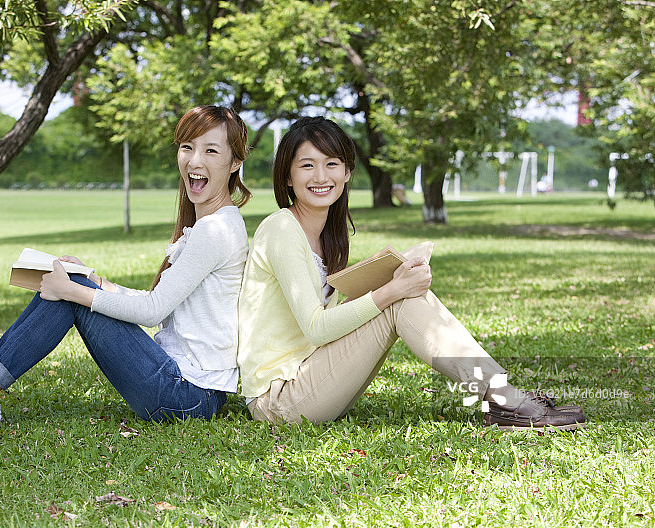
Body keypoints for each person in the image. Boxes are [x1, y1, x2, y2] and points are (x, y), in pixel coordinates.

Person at [0, 105, 252, 433]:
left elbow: (152, 311)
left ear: (235, 162)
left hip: (187, 397)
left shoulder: (215, 230)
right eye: (187, 147)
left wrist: (73, 291)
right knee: (71, 284)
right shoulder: (214, 224)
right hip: (188, 391)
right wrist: (93, 280)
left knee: (69, 292)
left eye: (211, 151)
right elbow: (161, 301)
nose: (194, 159)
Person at [237, 116, 585, 431]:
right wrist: (390, 291)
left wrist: (377, 275)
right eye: (307, 166)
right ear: (287, 175)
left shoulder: (327, 233)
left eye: (332, 164)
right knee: (399, 299)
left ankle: (504, 397)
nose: (321, 176)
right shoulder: (282, 229)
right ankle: (506, 399)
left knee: (398, 291)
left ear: (346, 172)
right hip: (279, 401)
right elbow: (315, 328)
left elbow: (323, 320)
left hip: (311, 378)